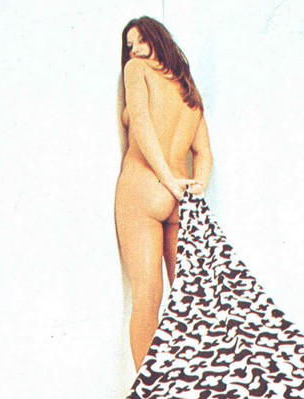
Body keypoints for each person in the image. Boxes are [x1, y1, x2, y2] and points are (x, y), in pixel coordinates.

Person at [114, 16, 213, 372]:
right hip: (179, 201)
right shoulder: (188, 90)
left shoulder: (136, 71)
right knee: (189, 302)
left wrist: (167, 180)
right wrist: (195, 185)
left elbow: (141, 124)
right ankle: (190, 385)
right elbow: (204, 153)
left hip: (143, 187)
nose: (135, 51)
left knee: (147, 297)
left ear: (158, 40)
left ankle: (147, 393)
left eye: (141, 41)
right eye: (130, 46)